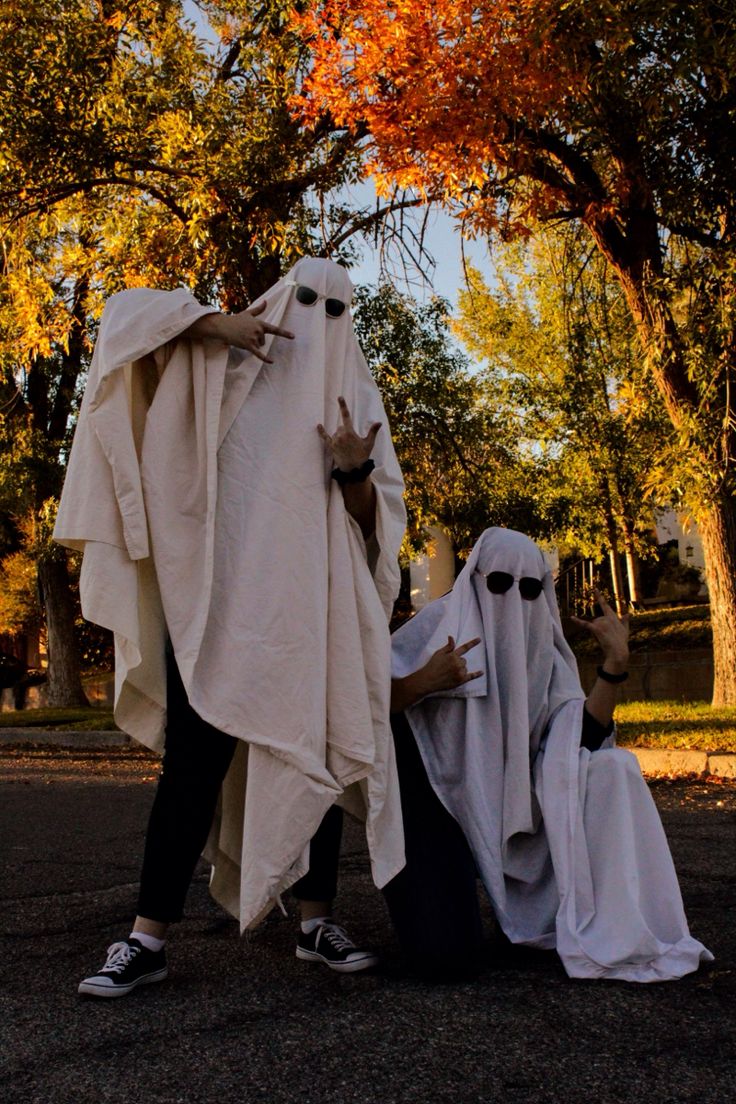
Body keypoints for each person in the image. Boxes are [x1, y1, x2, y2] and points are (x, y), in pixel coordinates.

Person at [53, 258, 407, 995]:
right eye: (306, 299)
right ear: (277, 299)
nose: (320, 319)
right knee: (191, 767)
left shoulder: (352, 397)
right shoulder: (213, 365)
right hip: (212, 613)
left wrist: (351, 473)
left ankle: (314, 924)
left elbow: (378, 536)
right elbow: (122, 319)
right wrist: (212, 323)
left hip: (303, 615)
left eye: (337, 308)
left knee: (315, 747)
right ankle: (146, 940)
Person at [385, 527, 713, 982]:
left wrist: (614, 666)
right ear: (475, 579)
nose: (514, 602)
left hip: (522, 812)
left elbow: (577, 740)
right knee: (445, 960)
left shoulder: (545, 649)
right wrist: (422, 682)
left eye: (530, 589)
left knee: (612, 768)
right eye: (499, 584)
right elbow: (361, 709)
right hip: (436, 807)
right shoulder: (437, 630)